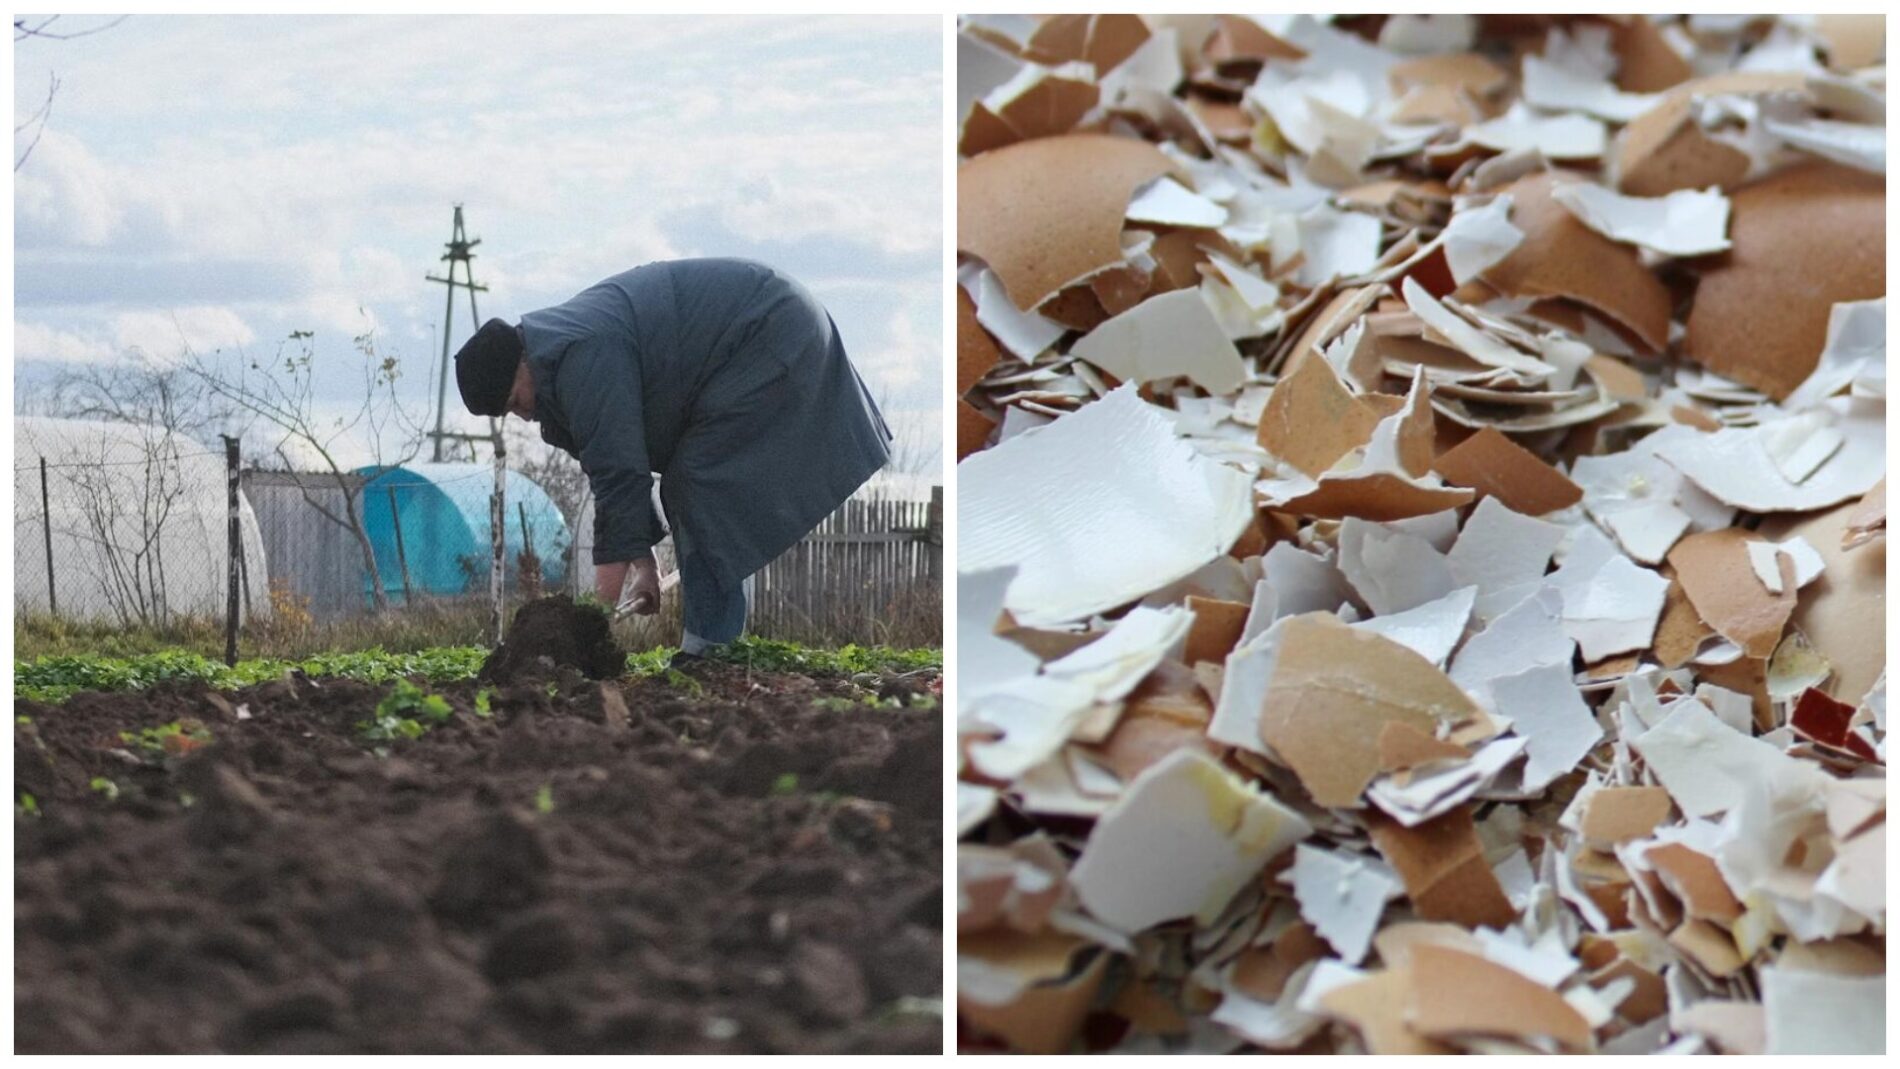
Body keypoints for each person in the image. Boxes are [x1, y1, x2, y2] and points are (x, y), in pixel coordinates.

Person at [454, 258, 893, 659]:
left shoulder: (581, 355)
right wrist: (645, 568)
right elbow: (612, 476)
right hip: (761, 328)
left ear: (523, 363)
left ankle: (709, 648)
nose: (524, 415)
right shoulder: (558, 377)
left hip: (770, 329)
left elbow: (623, 476)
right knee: (693, 484)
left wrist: (590, 623)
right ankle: (712, 643)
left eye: (515, 400)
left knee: (697, 484)